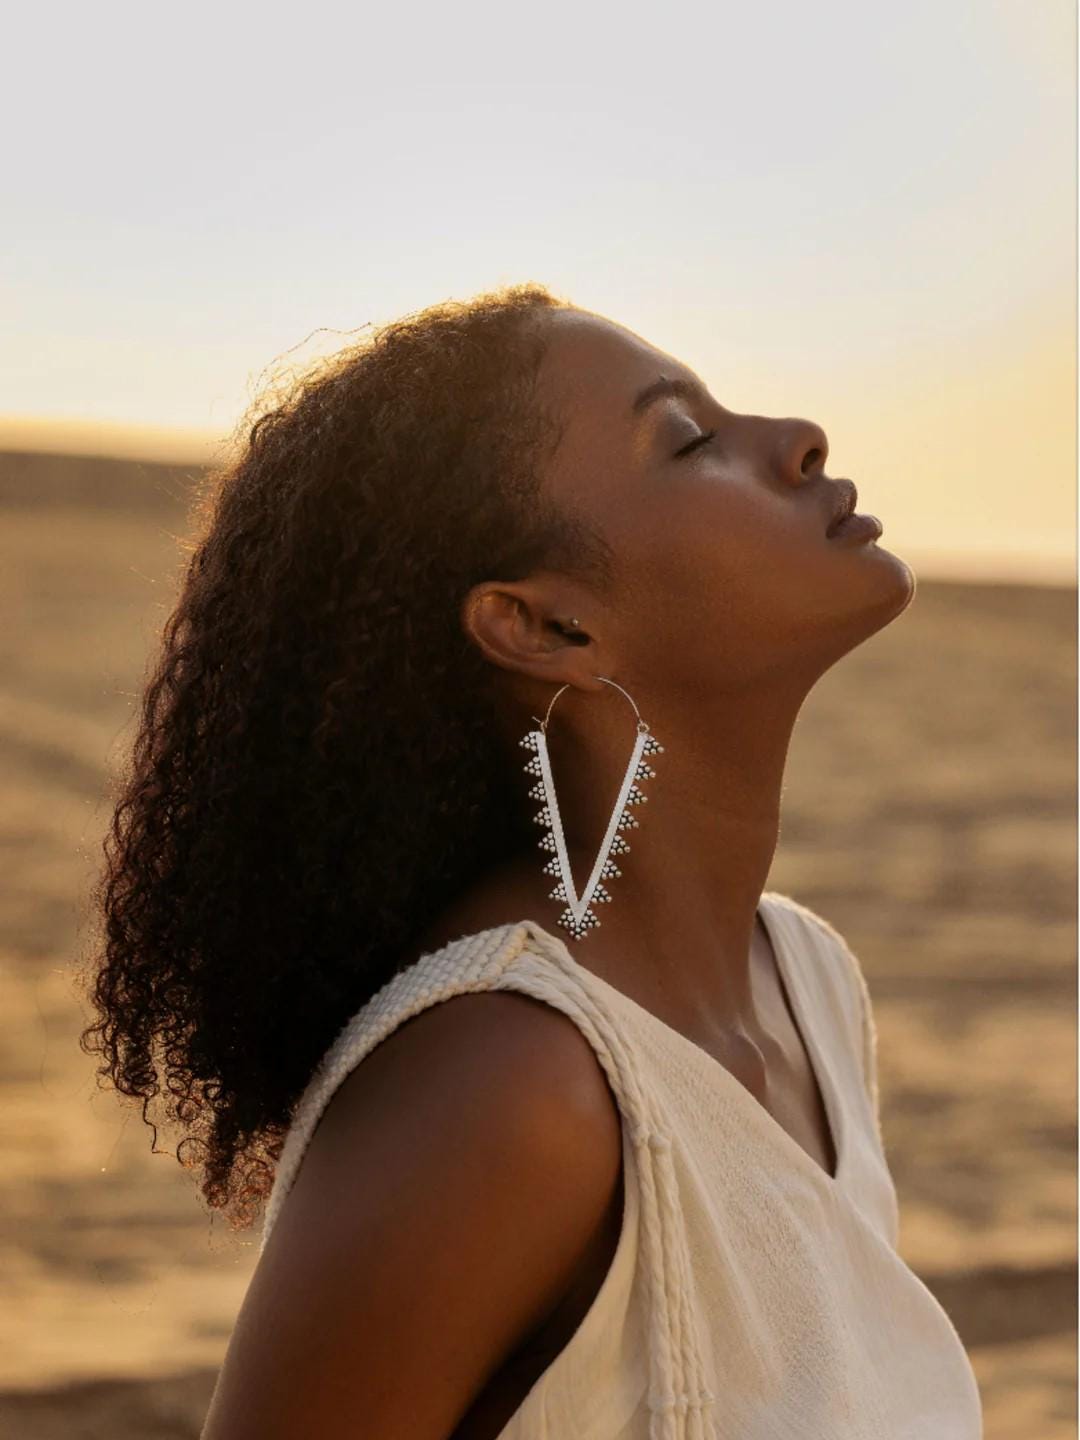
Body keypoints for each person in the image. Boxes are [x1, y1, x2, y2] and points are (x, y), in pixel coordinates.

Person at [79, 283, 983, 1438]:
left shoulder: (806, 986)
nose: (797, 439)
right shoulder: (518, 1086)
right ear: (549, 627)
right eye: (692, 441)